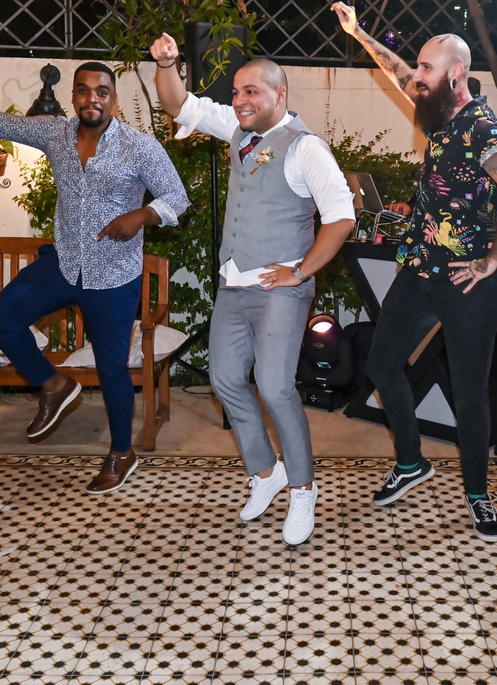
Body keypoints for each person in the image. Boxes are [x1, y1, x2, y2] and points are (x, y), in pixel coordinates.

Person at [0, 64, 188, 494]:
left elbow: (177, 197)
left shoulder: (139, 147)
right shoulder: (55, 133)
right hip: (63, 264)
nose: (92, 98)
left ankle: (121, 453)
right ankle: (54, 384)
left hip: (113, 276)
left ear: (113, 99)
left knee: (111, 368)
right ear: (74, 97)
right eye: (84, 91)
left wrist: (142, 215)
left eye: (102, 91)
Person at [332, 1, 497, 543]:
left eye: (427, 68)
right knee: (382, 364)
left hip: (469, 282)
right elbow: (398, 74)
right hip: (420, 269)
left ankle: (478, 495)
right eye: (419, 66)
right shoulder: (440, 113)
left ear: (456, 73)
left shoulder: (483, 128)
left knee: (469, 392)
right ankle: (411, 461)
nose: (416, 76)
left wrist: (494, 258)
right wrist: (360, 33)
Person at [150, 33, 355, 546]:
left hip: (279, 290)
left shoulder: (306, 147)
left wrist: (300, 272)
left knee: (276, 387)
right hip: (234, 283)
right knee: (224, 380)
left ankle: (303, 488)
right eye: (237, 92)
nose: (240, 100)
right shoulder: (238, 130)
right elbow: (177, 103)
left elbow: (341, 218)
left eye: (252, 92)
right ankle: (266, 473)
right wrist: (168, 64)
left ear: (279, 95)